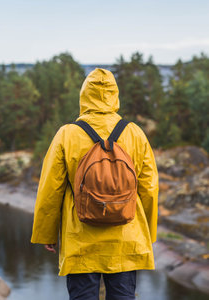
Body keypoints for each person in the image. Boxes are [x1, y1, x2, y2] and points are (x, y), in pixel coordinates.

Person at [31, 68, 158, 300]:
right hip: (126, 238)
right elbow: (149, 187)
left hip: (81, 238)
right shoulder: (135, 133)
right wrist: (148, 232)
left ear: (84, 95)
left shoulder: (67, 134)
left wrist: (47, 233)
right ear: (114, 94)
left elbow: (50, 189)